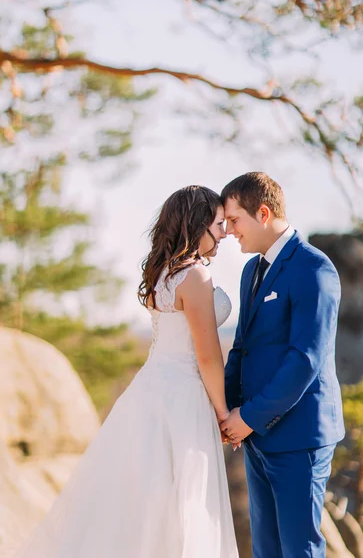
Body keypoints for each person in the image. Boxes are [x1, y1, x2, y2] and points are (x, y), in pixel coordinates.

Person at [13, 185, 239, 558]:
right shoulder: (195, 276)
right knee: (184, 505)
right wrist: (222, 412)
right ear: (198, 225)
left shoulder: (163, 273)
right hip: (182, 398)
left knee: (144, 503)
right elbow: (209, 357)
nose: (225, 233)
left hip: (150, 391)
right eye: (218, 224)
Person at [220, 172, 345, 558]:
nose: (228, 231)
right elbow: (241, 348)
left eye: (234, 220)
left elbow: (305, 360)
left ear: (262, 212)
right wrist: (226, 413)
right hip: (257, 435)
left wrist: (249, 416)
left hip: (299, 439)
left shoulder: (314, 269)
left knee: (299, 550)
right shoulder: (250, 271)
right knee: (267, 551)